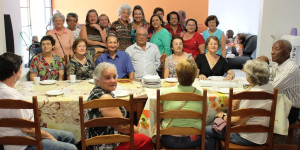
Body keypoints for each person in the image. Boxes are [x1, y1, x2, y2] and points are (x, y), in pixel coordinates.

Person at [0, 52, 77, 150]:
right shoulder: (11, 96)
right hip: (21, 142)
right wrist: (48, 136)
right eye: (20, 68)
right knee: (71, 148)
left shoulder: (5, 88)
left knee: (69, 136)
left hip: (26, 133)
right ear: (14, 72)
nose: (21, 70)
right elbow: (27, 128)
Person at [205, 59, 274, 150]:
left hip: (246, 137)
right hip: (262, 136)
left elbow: (239, 120)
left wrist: (224, 116)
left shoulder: (251, 96)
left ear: (250, 77)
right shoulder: (270, 88)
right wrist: (240, 97)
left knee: (207, 129)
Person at [86, 62, 153, 150]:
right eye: (107, 78)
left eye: (114, 77)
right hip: (105, 145)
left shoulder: (98, 91)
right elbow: (122, 127)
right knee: (146, 139)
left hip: (102, 139)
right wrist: (138, 130)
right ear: (98, 81)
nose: (113, 80)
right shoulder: (105, 98)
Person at [160, 58, 204, 149]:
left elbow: (161, 117)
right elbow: (205, 119)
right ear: (196, 74)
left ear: (177, 75)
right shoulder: (202, 96)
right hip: (194, 139)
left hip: (169, 139)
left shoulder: (165, 93)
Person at [270, 40, 300, 124]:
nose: (272, 52)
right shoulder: (276, 65)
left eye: (276, 49)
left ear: (286, 53)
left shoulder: (290, 69)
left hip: (289, 110)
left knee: (254, 112)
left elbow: (271, 88)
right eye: (272, 49)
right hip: (279, 104)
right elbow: (267, 79)